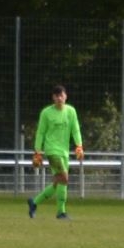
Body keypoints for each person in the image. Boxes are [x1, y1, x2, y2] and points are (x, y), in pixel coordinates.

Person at [27, 84, 83, 220]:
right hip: (52, 151)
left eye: (61, 95)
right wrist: (38, 151)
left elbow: (75, 129)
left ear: (66, 96)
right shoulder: (46, 113)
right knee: (64, 178)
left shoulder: (71, 111)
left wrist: (79, 145)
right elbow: (40, 132)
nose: (59, 98)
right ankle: (61, 212)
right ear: (53, 97)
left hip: (64, 152)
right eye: (56, 96)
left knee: (58, 182)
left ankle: (34, 202)